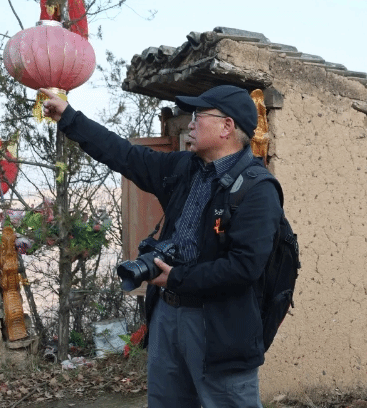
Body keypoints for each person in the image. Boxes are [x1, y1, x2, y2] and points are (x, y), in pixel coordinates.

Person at [40, 85, 281, 408]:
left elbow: (244, 268)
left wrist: (177, 277)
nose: (190, 123)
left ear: (227, 127)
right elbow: (124, 155)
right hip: (167, 314)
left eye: (198, 115)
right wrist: (69, 117)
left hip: (220, 327)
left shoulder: (257, 189)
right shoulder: (183, 168)